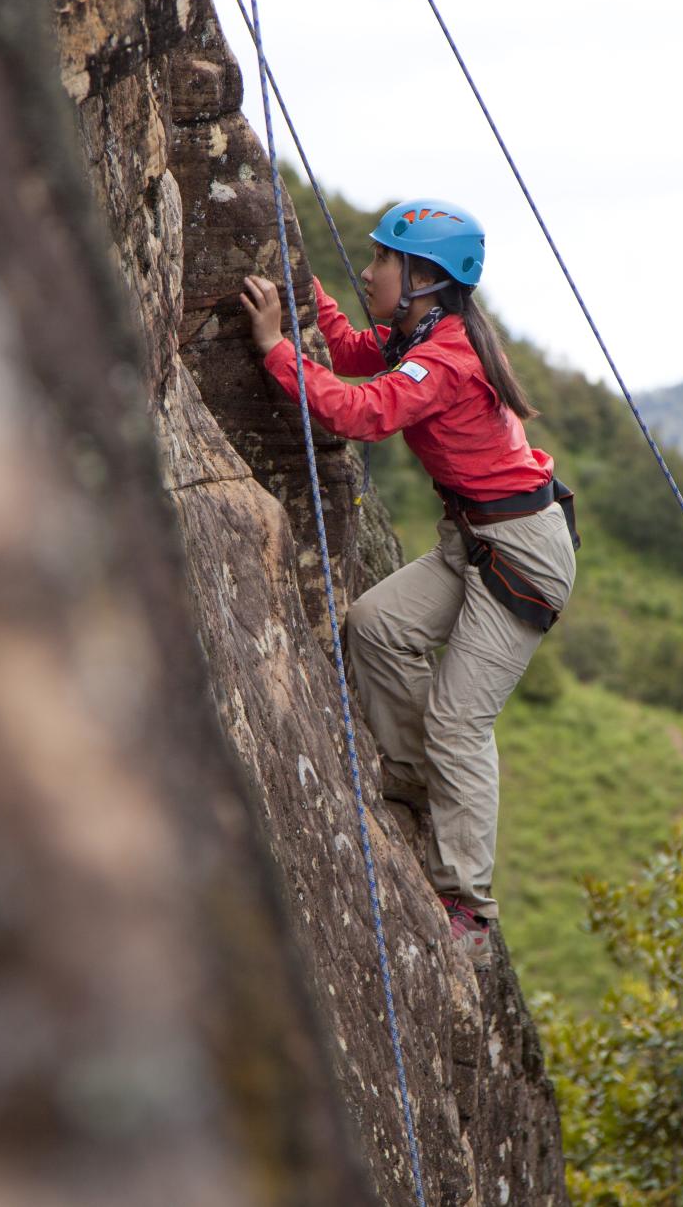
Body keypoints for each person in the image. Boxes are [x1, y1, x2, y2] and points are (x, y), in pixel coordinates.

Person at [239, 199, 578, 966]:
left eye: (383, 261)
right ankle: (419, 779)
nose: (370, 271)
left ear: (422, 278)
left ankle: (470, 905)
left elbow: (362, 410)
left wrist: (276, 351)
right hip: (479, 538)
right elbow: (360, 353)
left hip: (521, 553)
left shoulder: (445, 358)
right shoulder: (423, 334)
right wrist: (311, 296)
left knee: (461, 718)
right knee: (377, 625)